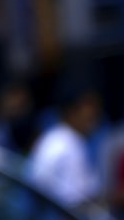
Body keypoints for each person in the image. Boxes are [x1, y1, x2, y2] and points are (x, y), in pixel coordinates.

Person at [27, 85, 106, 215]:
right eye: (88, 113)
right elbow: (38, 183)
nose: (93, 119)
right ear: (71, 112)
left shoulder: (76, 140)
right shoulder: (56, 142)